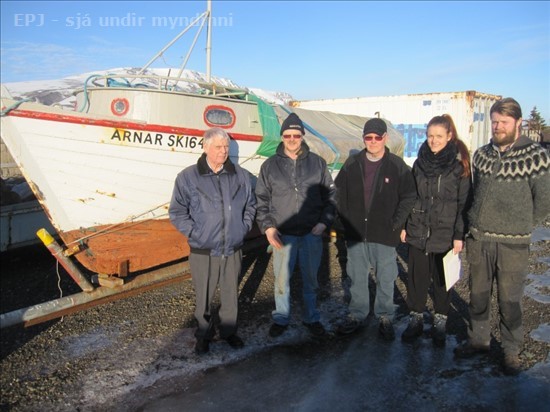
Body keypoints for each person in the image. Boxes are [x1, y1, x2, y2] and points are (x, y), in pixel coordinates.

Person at [454, 98, 550, 375]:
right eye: (495, 121)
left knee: (510, 300)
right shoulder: (481, 155)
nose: (498, 127)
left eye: (504, 122)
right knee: (478, 295)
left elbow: (544, 200)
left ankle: (511, 350)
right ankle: (479, 340)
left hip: (513, 243)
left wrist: (523, 224)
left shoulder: (536, 156)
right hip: (480, 239)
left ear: (518, 122)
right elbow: (474, 194)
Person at [169, 127, 257, 355]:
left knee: (230, 294)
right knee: (204, 297)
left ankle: (228, 332)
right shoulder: (188, 177)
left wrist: (243, 227)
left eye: (226, 146)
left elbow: (251, 205)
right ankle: (204, 335)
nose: (223, 151)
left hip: (233, 247)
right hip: (204, 250)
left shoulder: (240, 175)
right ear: (205, 147)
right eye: (218, 147)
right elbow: (177, 211)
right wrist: (195, 233)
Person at [255, 112, 337, 338]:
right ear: (282, 137)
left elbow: (331, 197)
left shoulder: (317, 164)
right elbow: (261, 199)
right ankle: (281, 317)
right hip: (283, 234)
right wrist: (268, 227)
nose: (292, 139)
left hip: (312, 233)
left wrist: (324, 222)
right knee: (282, 281)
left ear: (302, 136)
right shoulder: (270, 166)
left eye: (296, 135)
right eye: (287, 135)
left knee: (311, 279)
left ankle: (311, 317)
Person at [335, 118, 416, 340]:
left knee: (386, 277)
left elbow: (409, 196)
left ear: (385, 138)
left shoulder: (396, 166)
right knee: (357, 276)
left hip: (384, 232)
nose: (372, 141)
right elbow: (338, 193)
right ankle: (357, 314)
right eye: (368, 137)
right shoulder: (352, 163)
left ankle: (385, 316)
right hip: (356, 232)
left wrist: (396, 222)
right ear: (363, 139)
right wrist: (344, 221)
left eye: (377, 137)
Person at [400, 114, 472, 346]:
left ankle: (440, 321)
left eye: (439, 136)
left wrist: (459, 235)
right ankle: (416, 318)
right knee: (416, 279)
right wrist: (404, 225)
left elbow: (464, 203)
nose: (434, 140)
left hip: (445, 233)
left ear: (449, 136)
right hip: (418, 230)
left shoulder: (458, 166)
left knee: (442, 281)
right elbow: (409, 196)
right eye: (430, 135)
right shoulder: (419, 164)